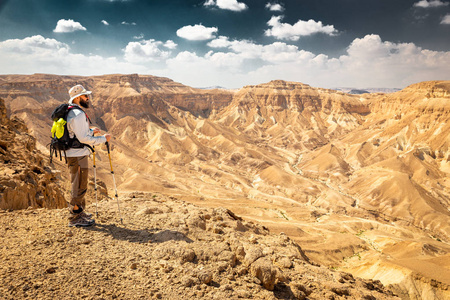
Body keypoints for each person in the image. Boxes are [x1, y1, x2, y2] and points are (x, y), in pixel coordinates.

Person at [65, 84, 111, 227]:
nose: (88, 98)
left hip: (77, 153)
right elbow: (83, 139)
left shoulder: (72, 112)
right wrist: (103, 139)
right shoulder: (77, 115)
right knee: (78, 184)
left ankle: (79, 211)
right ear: (78, 97)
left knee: (81, 183)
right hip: (77, 155)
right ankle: (74, 218)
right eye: (86, 96)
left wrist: (91, 132)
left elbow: (78, 134)